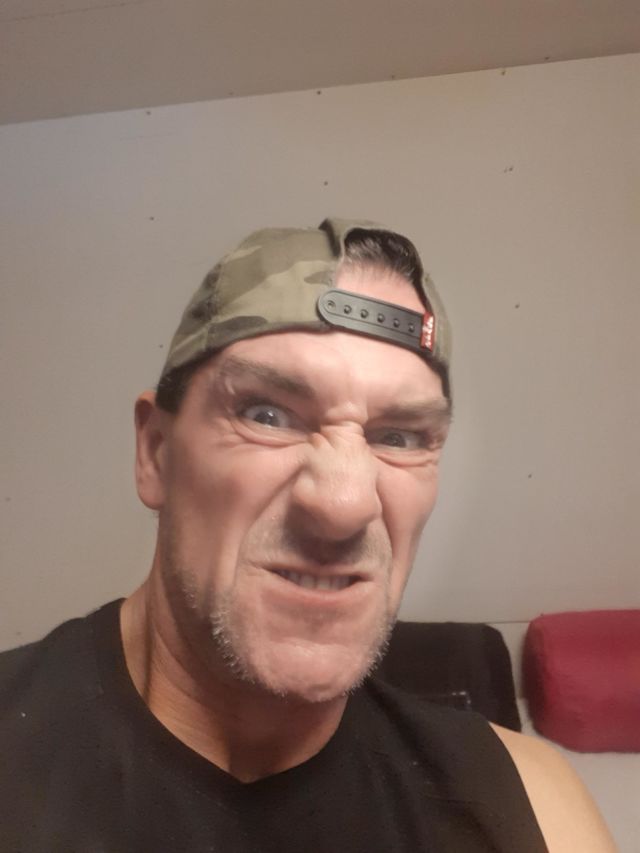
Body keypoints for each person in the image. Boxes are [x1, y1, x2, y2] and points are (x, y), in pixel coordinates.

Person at [0, 219, 615, 852]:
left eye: (399, 437)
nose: (343, 504)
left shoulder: (531, 809)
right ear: (156, 452)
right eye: (267, 415)